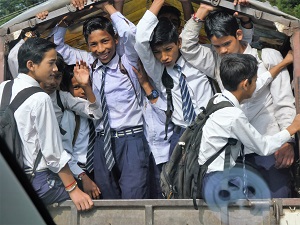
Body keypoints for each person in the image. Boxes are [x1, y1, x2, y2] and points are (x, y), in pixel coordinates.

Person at [180, 3, 296, 198]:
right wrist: (202, 11)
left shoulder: (267, 57)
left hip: (270, 149)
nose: (223, 51)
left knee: (279, 202)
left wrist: (288, 142)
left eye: (227, 44)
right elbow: (187, 46)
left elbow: (284, 103)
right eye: (217, 46)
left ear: (239, 35)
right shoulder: (217, 63)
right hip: (234, 156)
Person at [52, 1, 151, 199]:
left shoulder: (127, 60)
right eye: (93, 44)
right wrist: (71, 14)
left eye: (105, 41)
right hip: (102, 141)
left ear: (115, 39)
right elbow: (57, 46)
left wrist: (107, 7)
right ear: (88, 46)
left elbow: (131, 34)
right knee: (107, 197)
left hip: (132, 139)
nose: (101, 49)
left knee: (134, 196)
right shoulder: (88, 62)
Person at [0, 37, 93, 210]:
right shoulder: (40, 98)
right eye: (50, 63)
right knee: (83, 201)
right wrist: (73, 189)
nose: (55, 68)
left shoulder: (3, 88)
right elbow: (53, 154)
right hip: (38, 181)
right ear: (31, 65)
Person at [200, 53, 300, 204]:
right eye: (254, 81)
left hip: (209, 178)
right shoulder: (234, 117)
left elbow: (259, 84)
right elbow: (263, 147)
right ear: (245, 84)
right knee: (261, 205)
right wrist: (292, 128)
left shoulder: (217, 100)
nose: (257, 84)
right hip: (221, 183)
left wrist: (282, 63)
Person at [135, 0, 214, 157]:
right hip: (182, 134)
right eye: (157, 52)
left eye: (168, 49)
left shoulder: (199, 57)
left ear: (179, 42)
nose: (164, 57)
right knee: (178, 180)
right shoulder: (159, 71)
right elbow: (140, 40)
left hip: (210, 129)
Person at [60, 62, 101, 199]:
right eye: (77, 87)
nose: (83, 91)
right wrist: (83, 177)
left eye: (85, 85)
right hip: (78, 171)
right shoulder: (70, 117)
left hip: (97, 167)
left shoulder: (94, 110)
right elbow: (65, 153)